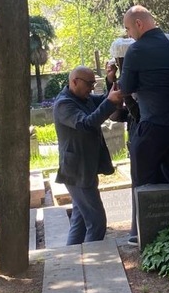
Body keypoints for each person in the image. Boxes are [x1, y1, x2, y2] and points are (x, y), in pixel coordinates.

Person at [119, 5, 169, 188]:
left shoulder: (136, 50)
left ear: (138, 23)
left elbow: (125, 87)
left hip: (154, 124)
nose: (128, 34)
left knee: (143, 180)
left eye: (128, 28)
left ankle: (150, 209)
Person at [53, 66, 124, 245]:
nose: (92, 88)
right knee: (97, 222)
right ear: (74, 82)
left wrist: (110, 80)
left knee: (80, 222)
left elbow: (104, 100)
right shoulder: (64, 104)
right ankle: (91, 258)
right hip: (77, 171)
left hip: (86, 168)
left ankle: (72, 257)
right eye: (89, 84)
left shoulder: (83, 98)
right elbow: (86, 124)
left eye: (93, 83)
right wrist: (110, 102)